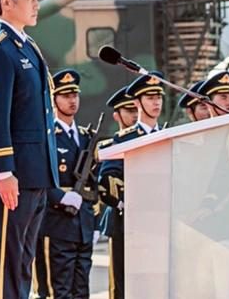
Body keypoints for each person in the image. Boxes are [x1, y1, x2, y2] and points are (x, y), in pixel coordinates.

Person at [0, 0, 59, 299]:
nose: (36, 2)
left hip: (34, 172)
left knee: (23, 261)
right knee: (7, 263)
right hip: (15, 175)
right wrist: (3, 171)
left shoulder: (25, 46)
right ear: (6, 2)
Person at [99, 72, 165, 299]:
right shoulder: (123, 139)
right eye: (149, 97)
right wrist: (136, 198)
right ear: (137, 103)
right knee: (124, 289)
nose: (156, 102)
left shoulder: (169, 137)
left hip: (160, 225)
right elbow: (106, 181)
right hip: (128, 224)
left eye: (158, 97)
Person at [34, 69, 98, 298]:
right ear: (54, 99)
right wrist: (60, 197)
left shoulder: (86, 137)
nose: (72, 101)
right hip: (55, 224)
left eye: (75, 95)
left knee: (81, 291)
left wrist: (95, 222)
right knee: (56, 291)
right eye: (65, 95)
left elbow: (95, 183)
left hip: (83, 225)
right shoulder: (45, 136)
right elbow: (36, 179)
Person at [97, 85, 138, 299]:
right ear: (117, 115)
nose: (134, 115)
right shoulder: (113, 144)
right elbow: (106, 183)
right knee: (120, 285)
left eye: (135, 110)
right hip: (121, 218)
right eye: (129, 110)